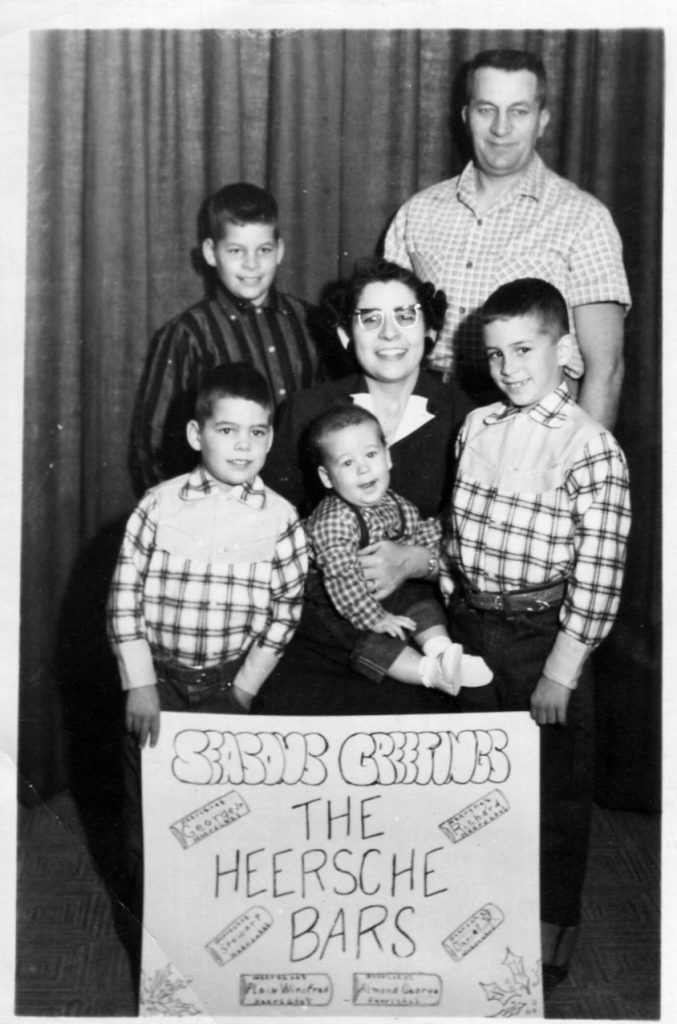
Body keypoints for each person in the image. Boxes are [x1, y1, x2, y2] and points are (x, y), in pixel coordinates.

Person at [439, 278, 631, 995]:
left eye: (524, 349)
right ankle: (473, 917)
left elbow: (600, 571)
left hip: (537, 639)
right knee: (472, 782)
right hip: (471, 629)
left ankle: (548, 936)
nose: (509, 368)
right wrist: (454, 599)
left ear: (566, 350)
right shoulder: (476, 426)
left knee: (550, 792)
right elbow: (459, 530)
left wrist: (562, 667)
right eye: (495, 355)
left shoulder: (590, 448)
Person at [107, 363, 307, 945]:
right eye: (227, 430)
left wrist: (244, 686)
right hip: (160, 691)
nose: (243, 446)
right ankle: (154, 949)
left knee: (223, 824)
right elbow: (124, 598)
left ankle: (214, 949)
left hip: (227, 690)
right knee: (149, 821)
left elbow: (285, 612)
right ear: (198, 435)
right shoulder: (158, 506)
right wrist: (140, 683)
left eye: (258, 432)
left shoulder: (281, 520)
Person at [254, 256, 474, 717]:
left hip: (423, 622)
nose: (389, 334)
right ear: (344, 335)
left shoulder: (465, 417)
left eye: (405, 316)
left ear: (429, 331)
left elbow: (479, 538)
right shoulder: (307, 411)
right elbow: (269, 529)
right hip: (320, 632)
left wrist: (420, 561)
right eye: (370, 319)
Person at [384, 48, 631, 429]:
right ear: (467, 117)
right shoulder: (417, 213)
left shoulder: (584, 219)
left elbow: (606, 369)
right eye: (487, 109)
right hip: (427, 418)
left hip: (533, 425)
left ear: (542, 120)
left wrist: (578, 465)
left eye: (518, 111)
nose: (501, 128)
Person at [130, 181, 327, 494]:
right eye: (236, 251)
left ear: (280, 251)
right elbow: (152, 447)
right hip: (217, 512)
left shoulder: (309, 322)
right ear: (211, 252)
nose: (251, 264)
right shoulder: (189, 334)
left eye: (264, 250)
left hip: (303, 508)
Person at [303, 404, 491, 693]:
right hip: (332, 595)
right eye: (347, 463)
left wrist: (453, 532)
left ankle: (442, 652)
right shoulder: (333, 521)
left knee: (420, 600)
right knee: (362, 636)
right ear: (327, 477)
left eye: (370, 454)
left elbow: (418, 531)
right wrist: (374, 618)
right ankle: (429, 672)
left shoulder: (393, 503)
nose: (364, 467)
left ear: (387, 456)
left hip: (377, 584)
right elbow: (340, 579)